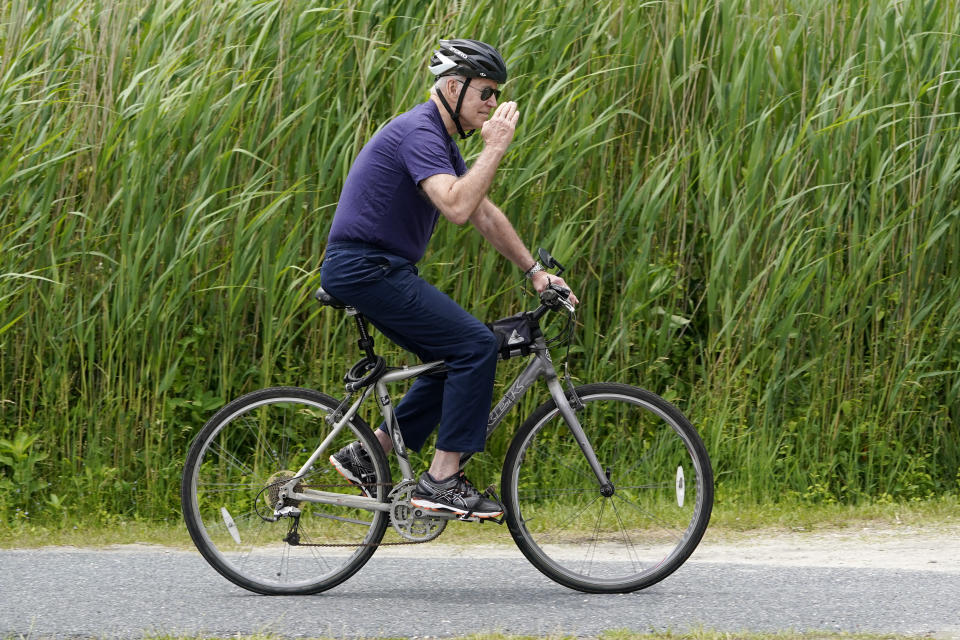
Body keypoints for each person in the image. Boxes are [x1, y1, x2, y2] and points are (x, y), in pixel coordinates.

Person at [320, 39, 577, 519]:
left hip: (377, 268)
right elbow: (457, 207)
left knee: (449, 358)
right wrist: (495, 149)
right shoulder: (420, 132)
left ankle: (368, 454)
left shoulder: (436, 137)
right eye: (486, 93)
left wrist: (536, 272)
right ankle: (441, 480)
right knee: (475, 345)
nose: (494, 105)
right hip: (365, 267)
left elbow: (484, 214)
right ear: (454, 87)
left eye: (497, 94)